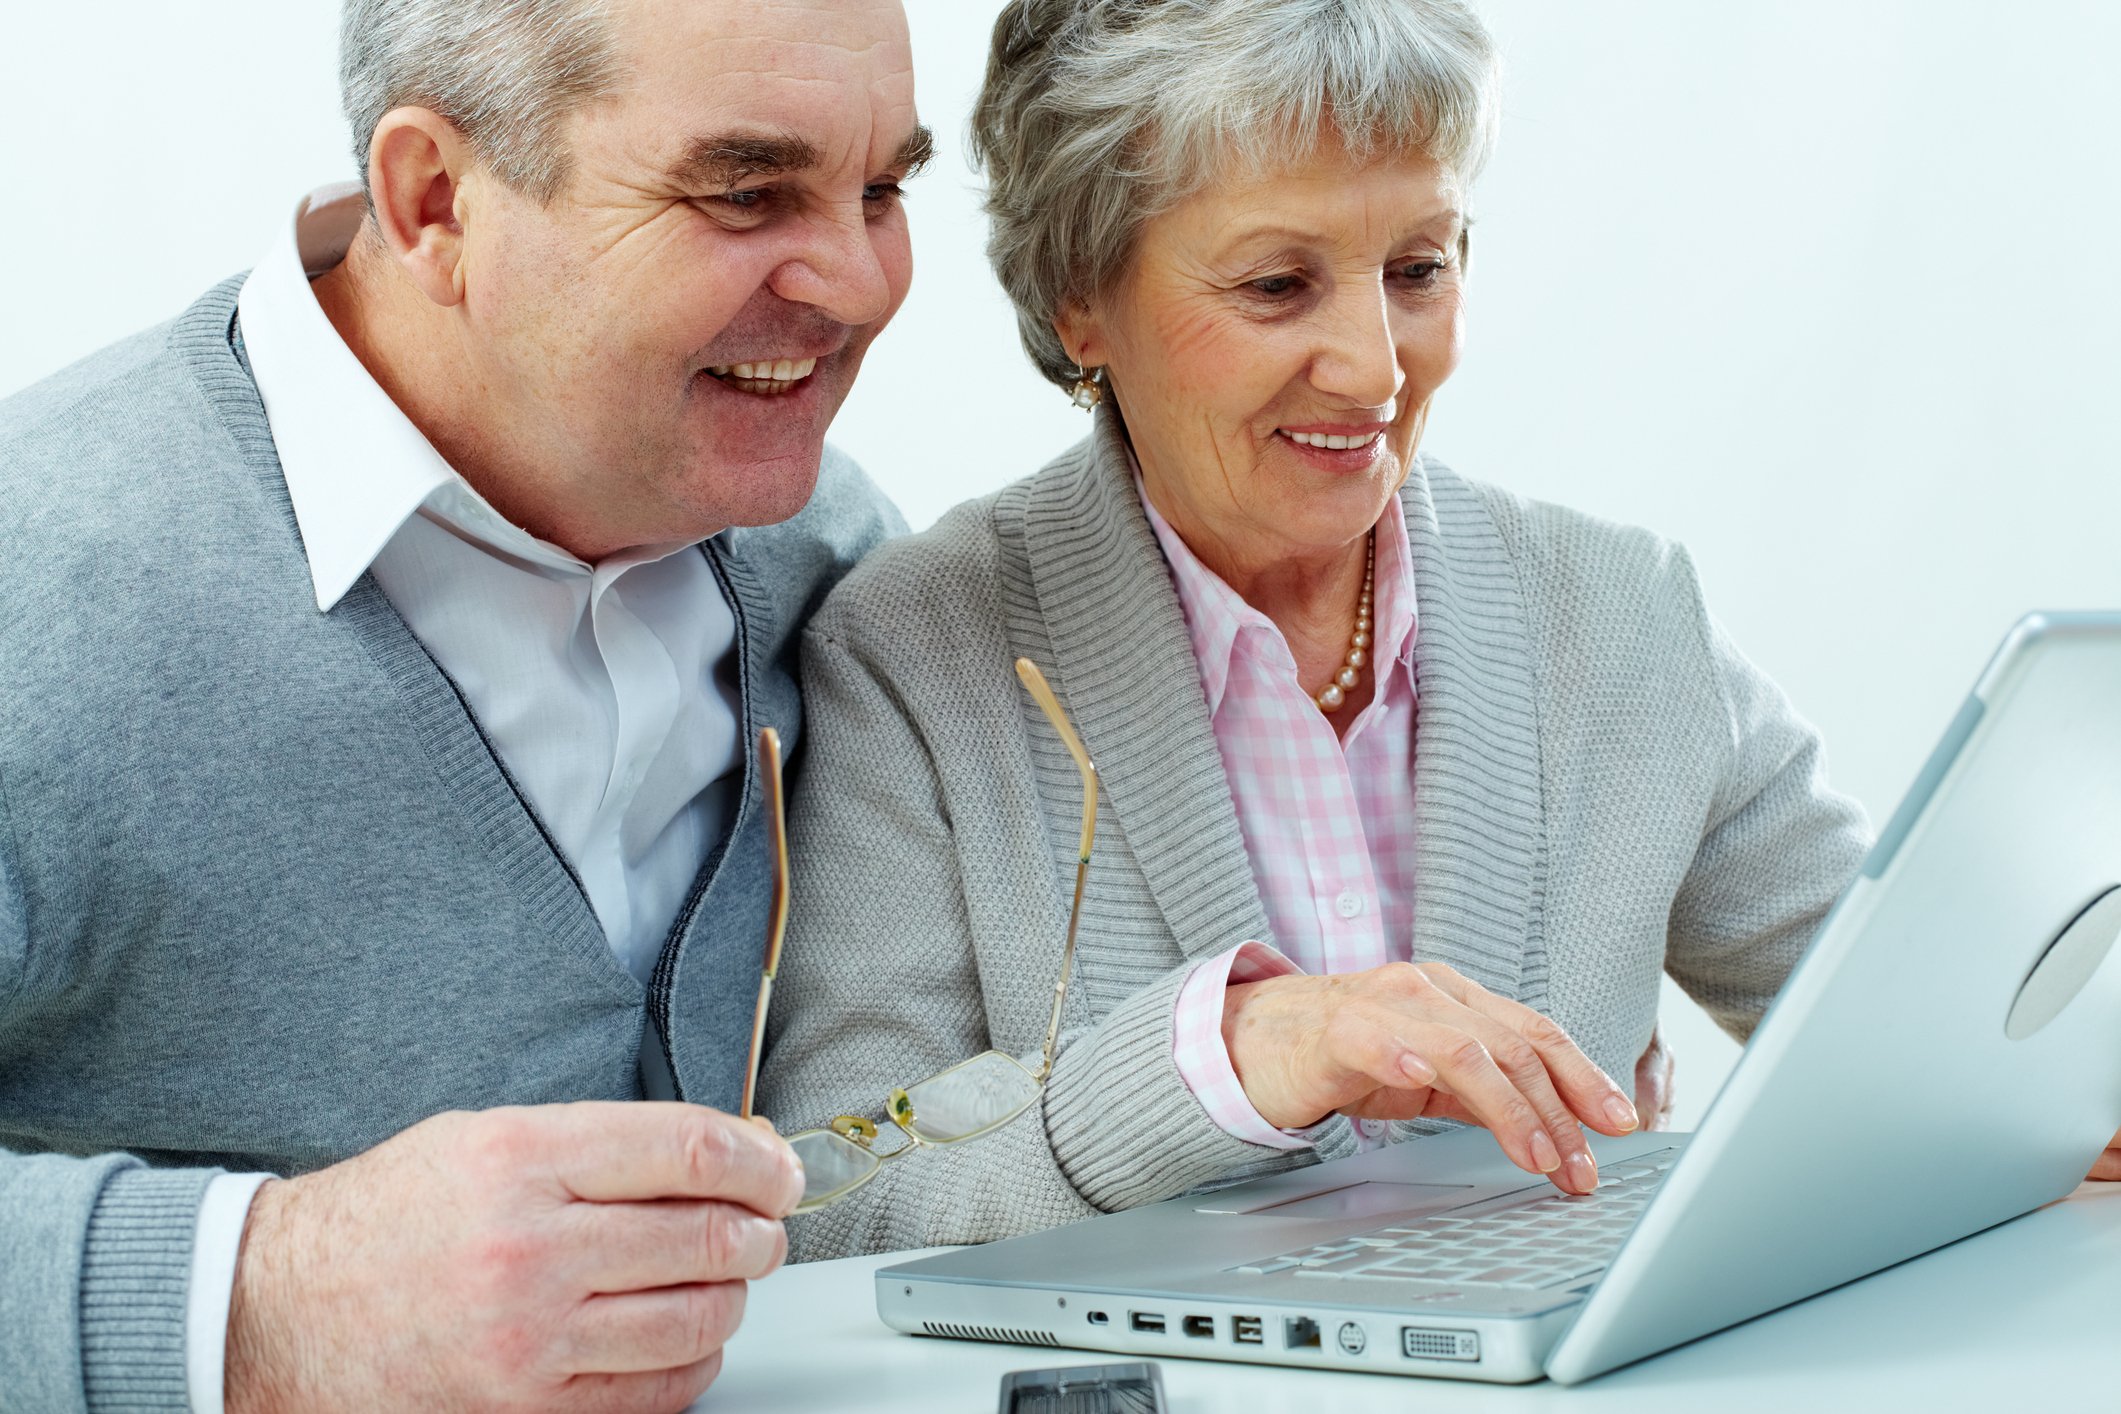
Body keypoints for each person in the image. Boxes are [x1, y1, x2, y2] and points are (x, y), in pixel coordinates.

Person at [764, 0, 2114, 1261]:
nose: (1376, 365)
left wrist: (2068, 1075)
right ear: (1080, 297)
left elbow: (1937, 1029)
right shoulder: (917, 652)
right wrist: (1231, 1058)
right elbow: (835, 1188)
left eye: (1418, 268)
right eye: (1277, 285)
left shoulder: (1618, 612)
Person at [0, 0, 928, 1408]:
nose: (859, 284)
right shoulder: (42, 583)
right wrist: (259, 1296)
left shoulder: (830, 563)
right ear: (434, 200)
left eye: (882, 190)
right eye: (746, 194)